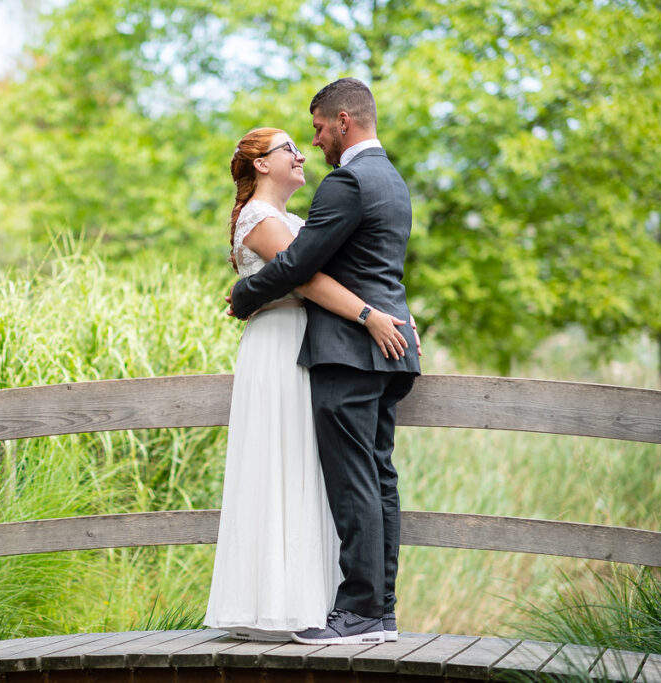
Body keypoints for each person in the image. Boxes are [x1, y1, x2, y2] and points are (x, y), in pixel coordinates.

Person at [228, 78, 421, 646]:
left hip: (349, 351)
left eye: (315, 129)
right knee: (379, 476)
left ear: (342, 120)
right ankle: (378, 610)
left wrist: (244, 295)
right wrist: (391, 318)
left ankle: (360, 609)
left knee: (355, 480)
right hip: (386, 350)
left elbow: (300, 266)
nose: (313, 143)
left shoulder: (347, 181)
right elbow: (378, 267)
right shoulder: (393, 181)